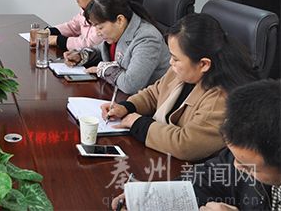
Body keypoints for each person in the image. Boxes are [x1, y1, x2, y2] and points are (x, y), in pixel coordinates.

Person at [101, 13, 258, 161]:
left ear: (204, 64)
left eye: (176, 59)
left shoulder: (221, 98)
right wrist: (127, 107)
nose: (171, 62)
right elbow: (154, 93)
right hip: (160, 154)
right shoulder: (183, 70)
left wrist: (138, 123)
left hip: (190, 169)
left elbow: (186, 145)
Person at [111, 80, 281, 211]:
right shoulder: (247, 151)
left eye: (250, 167)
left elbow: (185, 144)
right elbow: (209, 177)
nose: (237, 166)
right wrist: (150, 197)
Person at [64, 0, 170, 94]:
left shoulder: (147, 39)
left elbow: (131, 85)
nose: (97, 33)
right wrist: (81, 56)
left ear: (120, 20)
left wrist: (104, 70)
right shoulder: (118, 32)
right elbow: (101, 51)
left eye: (100, 27)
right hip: (117, 94)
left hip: (148, 101)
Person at [46, 0, 110, 51]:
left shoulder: (104, 17)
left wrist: (58, 40)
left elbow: (89, 44)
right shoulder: (85, 11)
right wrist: (49, 31)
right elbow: (72, 26)